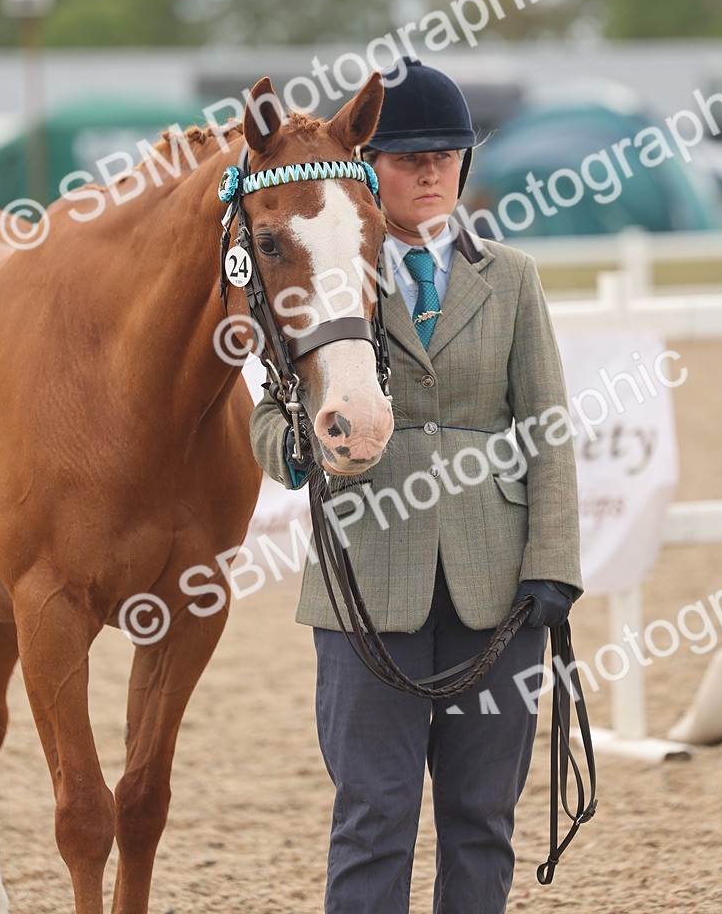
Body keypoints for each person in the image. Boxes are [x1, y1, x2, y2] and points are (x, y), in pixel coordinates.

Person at [249, 57, 582, 914]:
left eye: (447, 152)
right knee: (373, 813)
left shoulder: (511, 279)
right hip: (368, 576)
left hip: (495, 586)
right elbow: (263, 410)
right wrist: (297, 447)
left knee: (481, 818)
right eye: (409, 155)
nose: (432, 170)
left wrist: (555, 565)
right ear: (369, 167)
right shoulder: (322, 271)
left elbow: (546, 428)